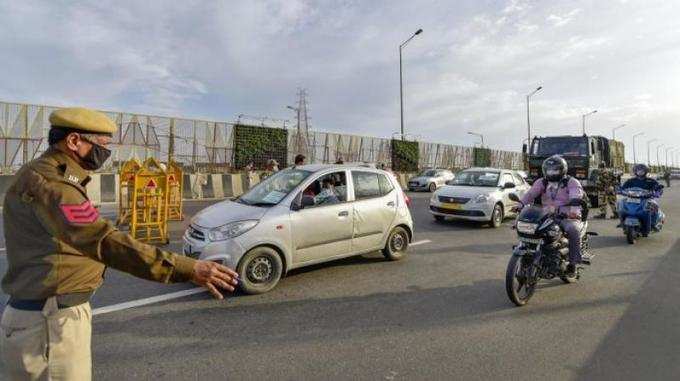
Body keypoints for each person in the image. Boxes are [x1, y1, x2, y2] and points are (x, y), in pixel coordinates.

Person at [0, 108, 239, 381]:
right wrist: (187, 268)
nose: (106, 153)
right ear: (74, 141)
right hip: (50, 324)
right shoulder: (56, 185)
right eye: (101, 145)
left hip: (44, 317)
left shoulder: (45, 174)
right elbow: (104, 240)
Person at [516, 155, 589, 276]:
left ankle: (573, 264)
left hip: (566, 215)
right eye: (549, 170)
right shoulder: (541, 182)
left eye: (555, 170)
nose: (551, 172)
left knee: (573, 230)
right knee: (532, 230)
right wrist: (520, 204)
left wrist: (574, 213)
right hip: (546, 215)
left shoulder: (572, 182)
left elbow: (576, 197)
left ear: (562, 170)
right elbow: (530, 194)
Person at [619, 163, 664, 233]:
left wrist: (657, 192)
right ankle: (622, 222)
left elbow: (657, 188)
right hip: (632, 198)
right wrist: (619, 190)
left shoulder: (651, 181)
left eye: (642, 170)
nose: (640, 172)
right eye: (638, 170)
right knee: (620, 203)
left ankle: (654, 224)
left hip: (646, 198)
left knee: (654, 206)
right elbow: (623, 187)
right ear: (635, 171)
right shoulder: (631, 181)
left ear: (646, 171)